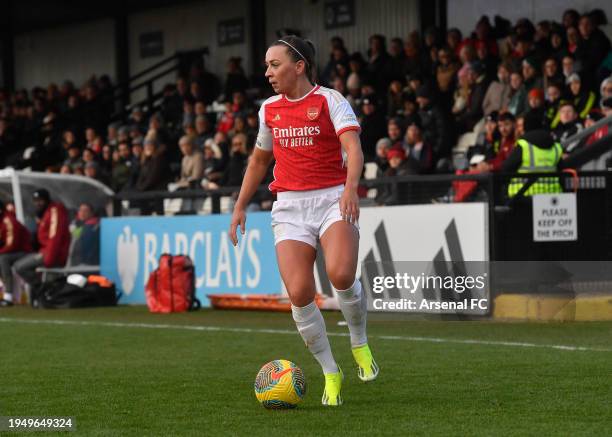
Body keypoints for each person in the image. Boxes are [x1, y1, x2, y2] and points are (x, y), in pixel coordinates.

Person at [228, 35, 378, 407]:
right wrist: (240, 205)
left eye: (274, 65)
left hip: (331, 199)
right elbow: (260, 161)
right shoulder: (269, 110)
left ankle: (359, 341)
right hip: (290, 207)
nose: (267, 72)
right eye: (266, 66)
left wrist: (350, 189)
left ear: (299, 66)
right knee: (298, 293)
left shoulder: (330, 100)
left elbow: (353, 149)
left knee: (341, 275)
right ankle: (331, 371)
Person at [13, 189, 70, 295]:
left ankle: (42, 289)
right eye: (36, 200)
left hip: (52, 253)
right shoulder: (46, 213)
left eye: (40, 200)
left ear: (47, 200)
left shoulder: (54, 211)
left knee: (20, 267)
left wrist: (50, 258)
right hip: (46, 251)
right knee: (19, 266)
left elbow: (55, 237)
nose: (38, 203)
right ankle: (42, 290)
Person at [0, 201, 32, 306]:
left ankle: (8, 296)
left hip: (25, 252)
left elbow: (11, 245)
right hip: (13, 251)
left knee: (3, 259)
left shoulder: (8, 220)